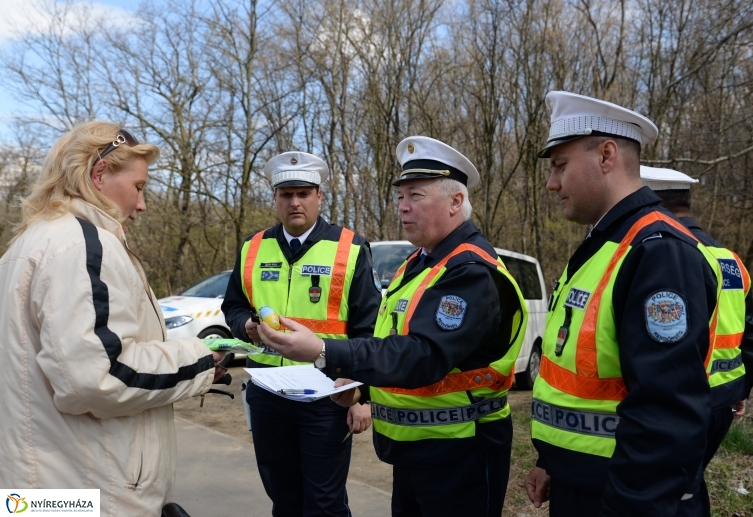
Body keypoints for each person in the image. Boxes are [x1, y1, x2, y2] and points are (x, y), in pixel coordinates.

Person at [255, 136, 529, 517]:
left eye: (415, 196)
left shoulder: (470, 272)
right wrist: (359, 386)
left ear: (455, 202)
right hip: (417, 450)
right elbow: (389, 341)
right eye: (400, 196)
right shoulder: (419, 263)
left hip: (460, 452)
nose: (402, 207)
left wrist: (324, 351)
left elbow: (422, 355)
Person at [0, 122, 225, 517]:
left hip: (40, 492)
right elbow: (98, 375)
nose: (142, 204)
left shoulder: (26, 245)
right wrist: (203, 359)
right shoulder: (83, 244)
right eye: (138, 187)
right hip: (89, 489)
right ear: (99, 175)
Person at [523, 92, 724, 516]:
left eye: (560, 165)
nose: (551, 182)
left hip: (624, 498)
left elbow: (666, 415)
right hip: (584, 486)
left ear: (607, 155)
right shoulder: (605, 245)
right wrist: (553, 463)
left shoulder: (657, 253)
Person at [221, 151, 380, 517]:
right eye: (286, 194)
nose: (295, 202)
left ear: (319, 196)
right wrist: (244, 324)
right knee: (284, 498)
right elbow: (232, 305)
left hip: (325, 394)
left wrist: (361, 395)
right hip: (267, 393)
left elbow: (369, 329)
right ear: (275, 198)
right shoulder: (252, 247)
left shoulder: (350, 248)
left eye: (304, 193)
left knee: (324, 502)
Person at [640, 166, 753, 517]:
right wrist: (742, 388)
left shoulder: (671, 254)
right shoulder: (729, 258)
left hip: (684, 404)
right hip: (723, 402)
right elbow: (752, 334)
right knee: (690, 484)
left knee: (676, 493)